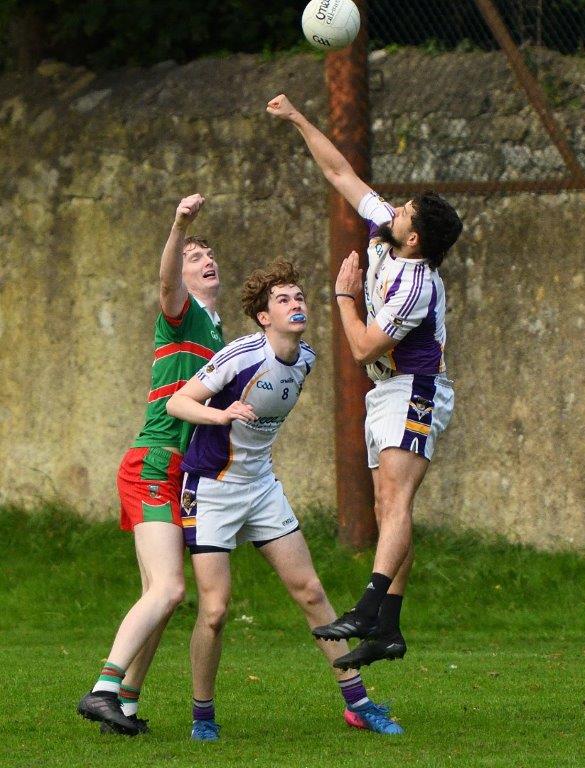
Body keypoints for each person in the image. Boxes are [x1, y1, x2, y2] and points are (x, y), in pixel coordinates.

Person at [165, 258, 403, 740]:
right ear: (263, 317)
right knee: (215, 610)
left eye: (299, 297)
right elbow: (179, 402)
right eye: (283, 300)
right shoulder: (241, 354)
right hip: (211, 487)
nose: (296, 305)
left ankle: (357, 703)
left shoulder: (307, 359)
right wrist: (223, 414)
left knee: (312, 591)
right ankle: (203, 717)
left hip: (261, 487)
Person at [266, 93, 463, 671]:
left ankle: (369, 607)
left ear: (415, 239)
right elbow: (338, 171)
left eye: (404, 212)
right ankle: (390, 630)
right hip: (388, 391)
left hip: (417, 390)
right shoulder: (388, 233)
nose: (394, 209)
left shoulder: (416, 283)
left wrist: (344, 296)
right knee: (387, 505)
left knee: (397, 501)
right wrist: (301, 118)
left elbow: (363, 347)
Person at [77, 194, 224, 736]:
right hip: (152, 464)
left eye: (210, 256)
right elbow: (166, 285)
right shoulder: (181, 317)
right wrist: (178, 228)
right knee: (169, 590)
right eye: (194, 256)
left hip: (173, 471)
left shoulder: (217, 332)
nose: (205, 260)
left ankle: (126, 706)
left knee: (158, 598)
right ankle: (103, 689)